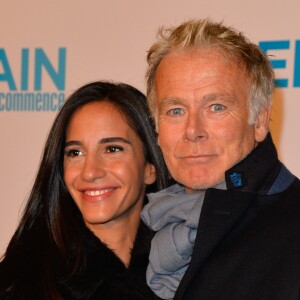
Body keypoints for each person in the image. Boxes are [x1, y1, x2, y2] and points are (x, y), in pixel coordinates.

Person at [141, 19, 300, 300]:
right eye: (176, 111)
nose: (193, 131)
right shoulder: (151, 224)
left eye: (216, 107)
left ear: (260, 119)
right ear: (156, 127)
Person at [0, 81, 168, 299]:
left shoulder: (188, 270)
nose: (90, 172)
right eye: (75, 153)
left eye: (112, 149)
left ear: (150, 167)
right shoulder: (19, 284)